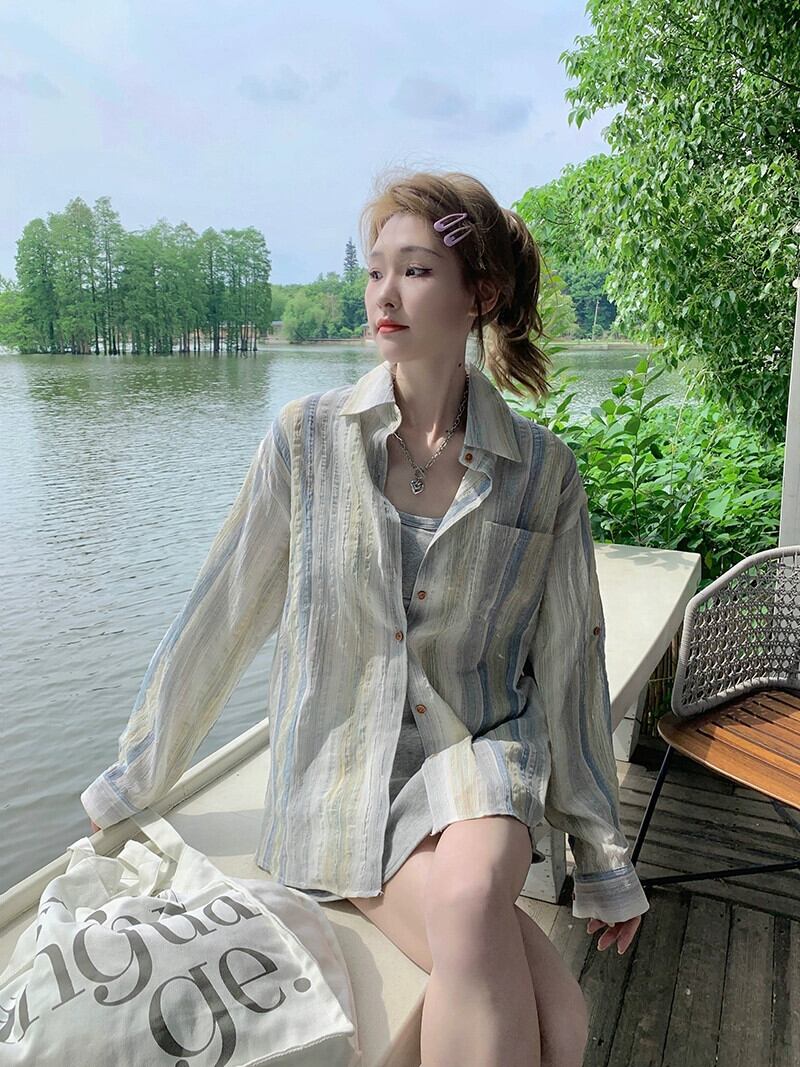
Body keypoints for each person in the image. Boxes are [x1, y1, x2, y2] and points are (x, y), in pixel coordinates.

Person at [83, 169, 650, 1067]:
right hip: (337, 778)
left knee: (473, 899)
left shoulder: (542, 472)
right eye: (376, 269)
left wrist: (602, 855)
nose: (385, 293)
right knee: (561, 1020)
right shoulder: (306, 440)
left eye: (416, 270)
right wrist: (133, 779)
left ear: (479, 295)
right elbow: (220, 617)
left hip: (478, 758)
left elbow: (572, 662)